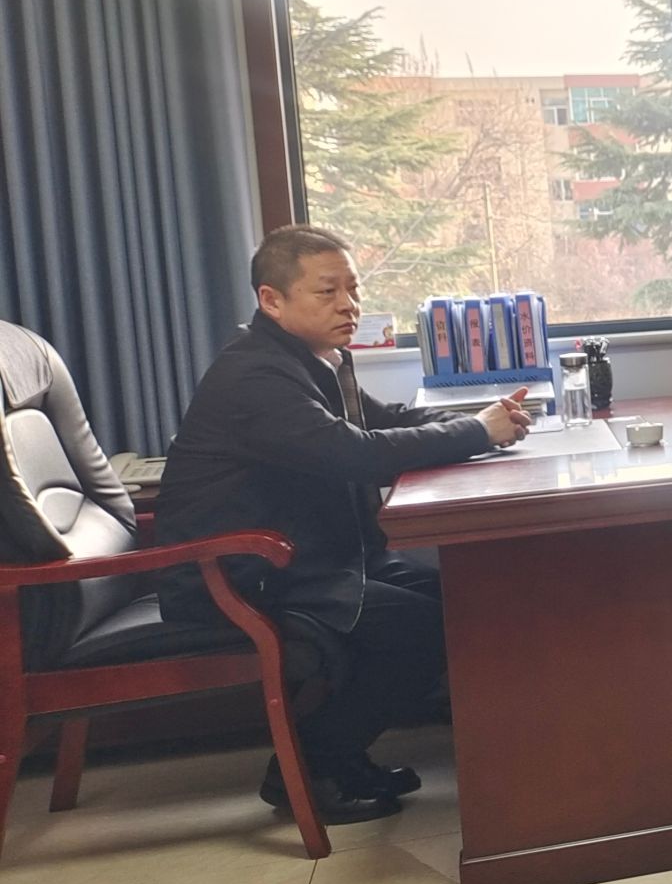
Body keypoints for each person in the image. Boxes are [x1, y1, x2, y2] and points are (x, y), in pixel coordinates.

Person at [156, 226, 533, 823]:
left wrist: (482, 420)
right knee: (420, 629)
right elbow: (355, 454)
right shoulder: (254, 376)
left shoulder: (315, 359)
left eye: (353, 289)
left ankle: (344, 756)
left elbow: (387, 423)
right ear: (271, 300)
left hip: (312, 560)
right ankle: (307, 769)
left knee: (462, 596)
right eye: (327, 291)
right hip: (238, 577)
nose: (348, 305)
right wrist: (475, 431)